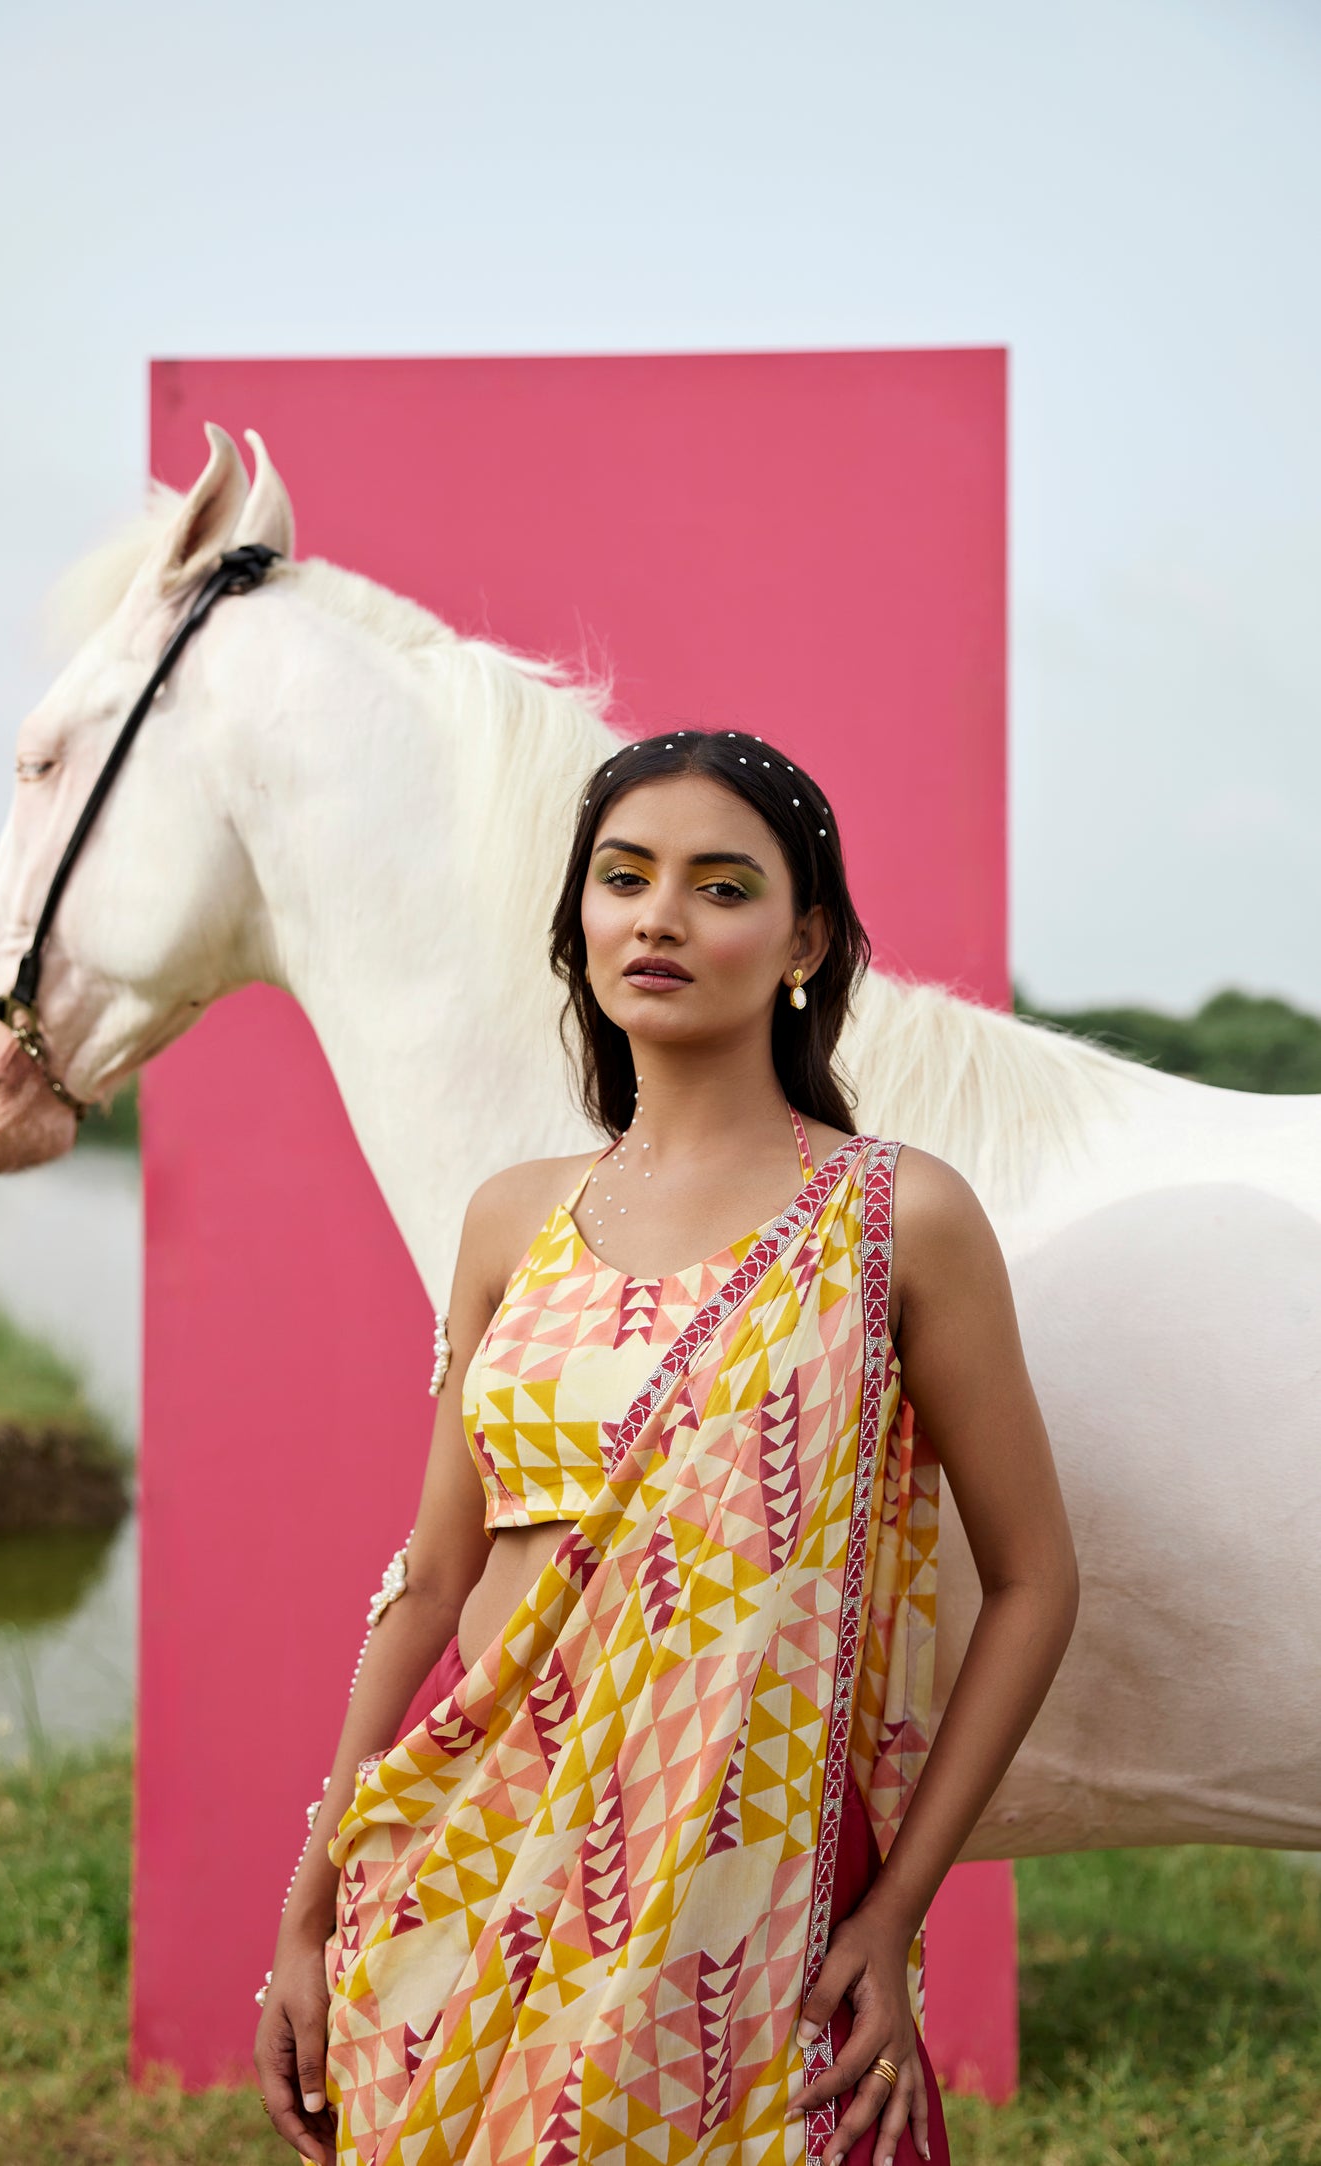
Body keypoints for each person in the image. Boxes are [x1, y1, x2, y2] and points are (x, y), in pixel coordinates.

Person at [254, 726, 1080, 2166]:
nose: (659, 916)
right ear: (578, 921)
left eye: (719, 884)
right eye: (623, 878)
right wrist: (308, 1897)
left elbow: (1032, 1578)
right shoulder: (511, 1218)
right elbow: (436, 1580)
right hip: (465, 1879)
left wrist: (892, 1915)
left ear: (802, 935)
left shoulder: (897, 1221)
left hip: (741, 1916)